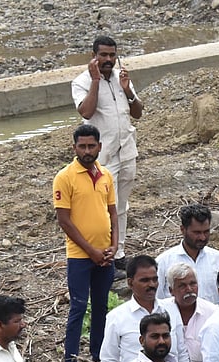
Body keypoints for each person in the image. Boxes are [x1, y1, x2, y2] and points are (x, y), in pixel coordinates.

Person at [54, 123, 116, 362]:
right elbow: (64, 221)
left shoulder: (106, 176)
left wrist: (114, 246)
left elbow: (113, 212)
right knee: (79, 307)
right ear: (74, 147)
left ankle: (98, 355)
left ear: (99, 147)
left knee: (102, 307)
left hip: (106, 255)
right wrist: (91, 251)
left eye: (92, 146)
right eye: (82, 146)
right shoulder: (65, 177)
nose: (87, 151)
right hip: (80, 257)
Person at [99, 255, 197, 362]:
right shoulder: (117, 317)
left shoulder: (171, 309)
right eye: (145, 280)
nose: (151, 285)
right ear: (130, 283)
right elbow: (109, 359)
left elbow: (181, 351)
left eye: (154, 279)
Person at [71, 35, 141, 266]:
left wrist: (128, 91)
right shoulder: (81, 82)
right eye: (104, 55)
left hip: (127, 150)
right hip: (103, 156)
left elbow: (138, 112)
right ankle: (103, 254)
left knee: (121, 206)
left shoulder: (122, 78)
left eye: (112, 55)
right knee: (103, 208)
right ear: (94, 56)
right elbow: (86, 113)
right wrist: (95, 81)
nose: (108, 60)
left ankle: (118, 254)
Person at [156, 204, 219, 304]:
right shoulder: (164, 261)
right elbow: (157, 300)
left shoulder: (218, 258)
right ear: (183, 230)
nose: (202, 237)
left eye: (206, 232)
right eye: (197, 233)